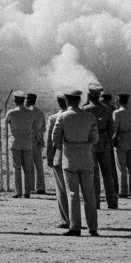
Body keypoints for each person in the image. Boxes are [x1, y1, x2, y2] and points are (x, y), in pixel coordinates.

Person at [53, 88, 100, 236]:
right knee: (89, 194)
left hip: (70, 159)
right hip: (86, 158)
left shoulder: (62, 117)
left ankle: (75, 227)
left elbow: (56, 138)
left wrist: (66, 147)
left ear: (67, 100)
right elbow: (95, 139)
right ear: (79, 100)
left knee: (73, 194)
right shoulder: (89, 117)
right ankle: (93, 228)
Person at [83, 84, 118, 209]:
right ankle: (112, 201)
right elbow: (111, 128)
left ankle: (96, 201)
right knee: (108, 174)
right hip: (104, 142)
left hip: (91, 143)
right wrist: (109, 141)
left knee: (94, 174)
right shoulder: (106, 109)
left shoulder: (86, 109)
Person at [46, 92, 70, 229]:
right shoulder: (80, 116)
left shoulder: (54, 118)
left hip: (60, 157)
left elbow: (51, 140)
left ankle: (66, 219)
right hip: (78, 157)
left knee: (61, 190)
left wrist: (49, 156)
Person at [5, 91, 35, 198]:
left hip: (16, 141)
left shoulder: (11, 113)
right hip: (27, 142)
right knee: (27, 168)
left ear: (15, 101)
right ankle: (27, 191)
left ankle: (18, 191)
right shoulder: (31, 112)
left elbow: (6, 122)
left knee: (17, 168)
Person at [112, 93, 131, 198]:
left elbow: (115, 128)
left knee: (122, 167)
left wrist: (113, 140)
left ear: (118, 100)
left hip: (121, 139)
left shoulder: (117, 113)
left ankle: (123, 191)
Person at [26, 92, 48, 195]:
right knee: (39, 165)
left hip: (28, 140)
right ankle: (41, 187)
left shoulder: (26, 112)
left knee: (28, 165)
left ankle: (30, 187)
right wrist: (40, 137)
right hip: (38, 141)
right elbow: (43, 127)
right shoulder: (40, 112)